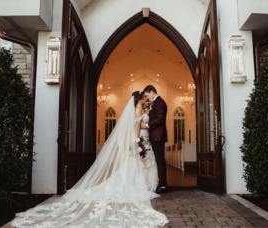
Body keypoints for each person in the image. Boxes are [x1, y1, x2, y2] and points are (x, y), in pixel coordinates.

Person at [11, 92, 168, 228]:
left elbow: (140, 124)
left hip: (142, 139)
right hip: (140, 139)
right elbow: (137, 126)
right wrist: (137, 141)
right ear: (140, 98)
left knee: (135, 166)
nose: (147, 98)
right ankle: (137, 186)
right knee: (135, 165)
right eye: (145, 96)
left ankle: (140, 184)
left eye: (148, 96)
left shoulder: (140, 108)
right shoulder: (139, 108)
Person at [141, 85, 168, 194]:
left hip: (158, 136)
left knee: (160, 160)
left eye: (147, 95)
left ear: (152, 92)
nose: (146, 98)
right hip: (155, 136)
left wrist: (147, 125)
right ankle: (163, 182)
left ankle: (163, 185)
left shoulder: (160, 102)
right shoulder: (155, 103)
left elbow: (160, 119)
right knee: (158, 160)